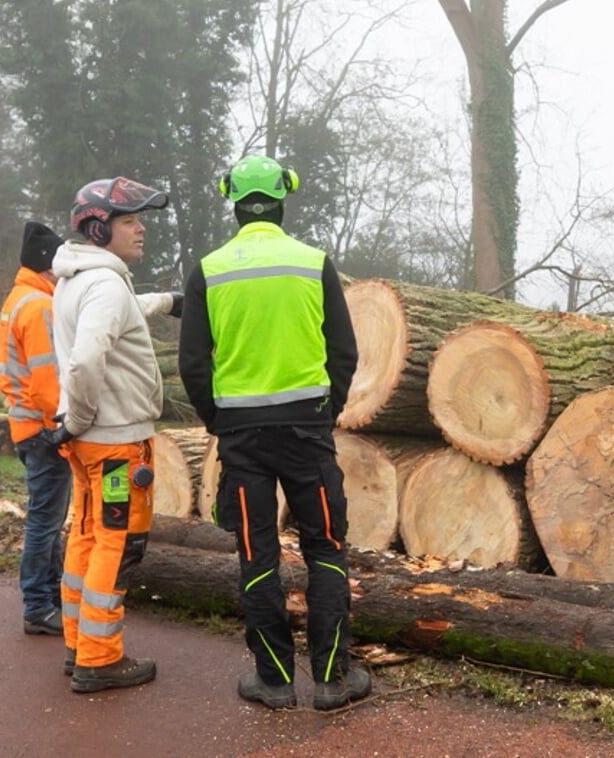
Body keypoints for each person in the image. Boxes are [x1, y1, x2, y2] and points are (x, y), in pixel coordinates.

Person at [178, 155, 368, 712]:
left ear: (233, 203)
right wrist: (324, 411)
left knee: (256, 554)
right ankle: (333, 679)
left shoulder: (209, 270)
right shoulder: (314, 263)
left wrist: (219, 421)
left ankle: (274, 680)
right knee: (326, 547)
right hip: (308, 432)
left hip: (242, 439)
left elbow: (193, 365)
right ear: (283, 199)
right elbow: (345, 351)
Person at [39, 177, 183, 694]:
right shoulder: (102, 284)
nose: (141, 229)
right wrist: (77, 418)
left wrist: (166, 301)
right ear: (99, 227)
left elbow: (117, 316)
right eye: (129, 221)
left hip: (90, 442)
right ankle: (100, 659)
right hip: (115, 442)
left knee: (85, 536)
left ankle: (79, 645)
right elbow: (86, 360)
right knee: (118, 546)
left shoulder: (80, 278)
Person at [0, 221, 71, 637]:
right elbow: (47, 380)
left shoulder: (17, 299)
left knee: (48, 516)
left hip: (25, 426)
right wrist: (62, 425)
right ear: (47, 265)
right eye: (59, 264)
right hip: (43, 430)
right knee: (45, 519)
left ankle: (50, 598)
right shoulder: (40, 306)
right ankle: (39, 605)